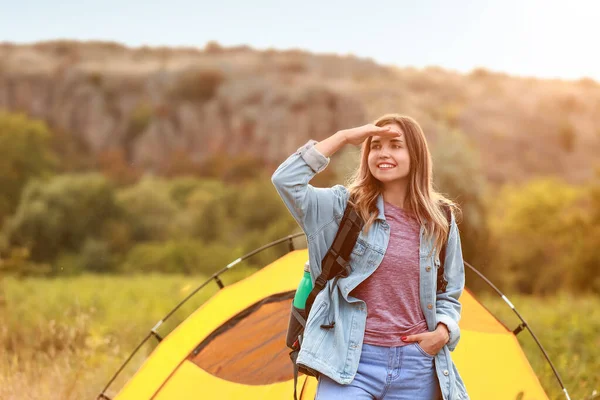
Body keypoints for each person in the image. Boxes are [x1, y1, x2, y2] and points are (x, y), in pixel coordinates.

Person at [271, 114, 469, 400]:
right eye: (375, 146)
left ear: (416, 155)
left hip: (416, 367)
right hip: (349, 365)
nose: (383, 153)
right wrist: (342, 137)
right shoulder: (343, 208)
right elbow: (286, 180)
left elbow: (450, 294)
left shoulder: (440, 220)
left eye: (395, 145)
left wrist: (442, 332)